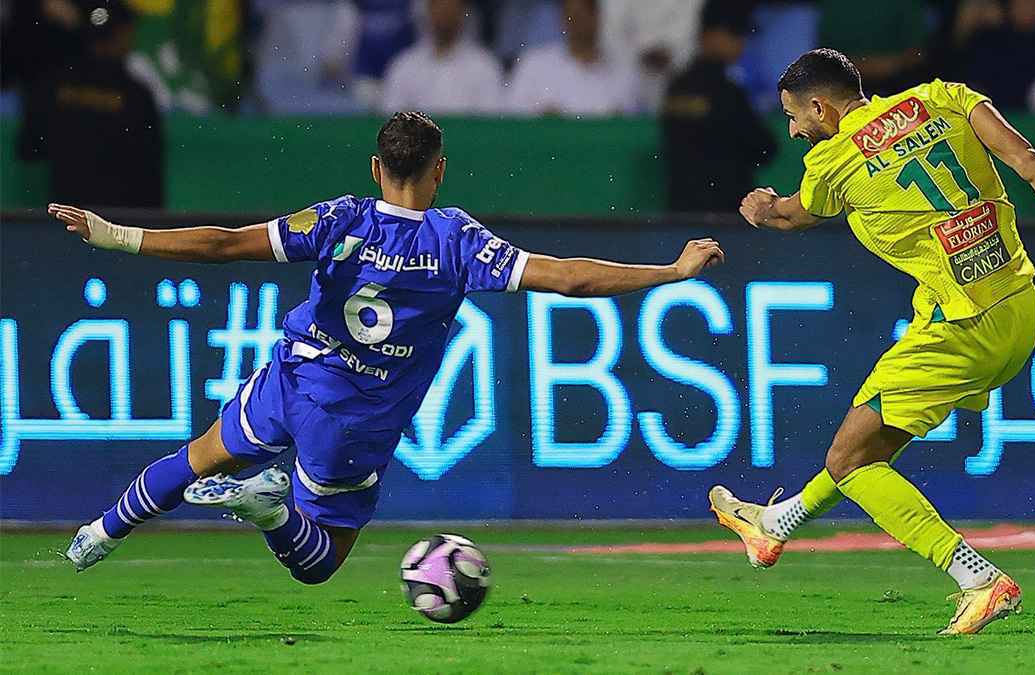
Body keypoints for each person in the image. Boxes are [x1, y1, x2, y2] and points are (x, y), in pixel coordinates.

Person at [57, 111, 726, 582]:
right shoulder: (457, 240)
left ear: (377, 167)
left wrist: (116, 235)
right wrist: (668, 271)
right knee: (320, 562)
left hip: (291, 376)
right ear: (440, 171)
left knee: (197, 454)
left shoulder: (340, 217)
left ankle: (97, 534)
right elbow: (568, 277)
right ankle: (270, 509)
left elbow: (226, 245)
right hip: (353, 421)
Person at [708, 48, 1035, 635]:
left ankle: (977, 579)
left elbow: (791, 216)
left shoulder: (832, 162)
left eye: (794, 116)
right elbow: (1029, 161)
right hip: (1021, 309)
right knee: (868, 445)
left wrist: (760, 209)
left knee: (849, 459)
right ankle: (776, 525)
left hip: (960, 330)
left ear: (820, 107)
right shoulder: (942, 98)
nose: (793, 128)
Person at [18, 0, 163, 208]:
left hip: (63, 220)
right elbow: (150, 178)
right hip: (118, 225)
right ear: (119, 35)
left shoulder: (53, 85)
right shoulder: (136, 95)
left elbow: (28, 149)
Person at [662, 0, 777, 211]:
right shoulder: (726, 91)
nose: (740, 43)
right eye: (733, 34)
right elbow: (765, 147)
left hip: (681, 212)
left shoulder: (677, 85)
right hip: (726, 213)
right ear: (710, 35)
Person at [505, 0, 638, 117]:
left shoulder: (624, 72)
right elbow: (512, 119)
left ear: (597, 16)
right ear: (562, 19)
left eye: (582, 15)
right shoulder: (533, 64)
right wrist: (542, 121)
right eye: (572, 16)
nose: (577, 23)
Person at [377, 0, 503, 115]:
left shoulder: (484, 66)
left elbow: (491, 122)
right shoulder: (404, 65)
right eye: (438, 5)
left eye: (451, 6)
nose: (445, 12)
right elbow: (389, 118)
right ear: (427, 10)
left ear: (463, 11)